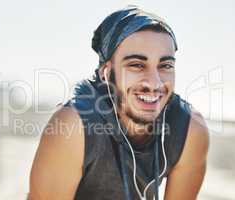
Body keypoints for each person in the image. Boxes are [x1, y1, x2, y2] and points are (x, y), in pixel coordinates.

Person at [29, 5, 209, 200]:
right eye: (137, 65)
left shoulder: (189, 129)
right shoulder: (73, 126)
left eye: (165, 66)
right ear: (106, 73)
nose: (154, 83)